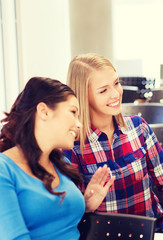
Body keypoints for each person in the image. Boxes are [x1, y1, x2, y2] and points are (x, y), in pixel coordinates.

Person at [63, 53, 163, 233]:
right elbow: (67, 216)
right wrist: (86, 205)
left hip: (151, 233)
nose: (115, 94)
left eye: (116, 83)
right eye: (103, 90)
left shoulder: (138, 127)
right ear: (82, 96)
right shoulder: (72, 145)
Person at [0, 77, 115, 240]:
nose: (79, 124)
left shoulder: (62, 164)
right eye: (73, 112)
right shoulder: (4, 170)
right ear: (44, 111)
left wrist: (86, 206)